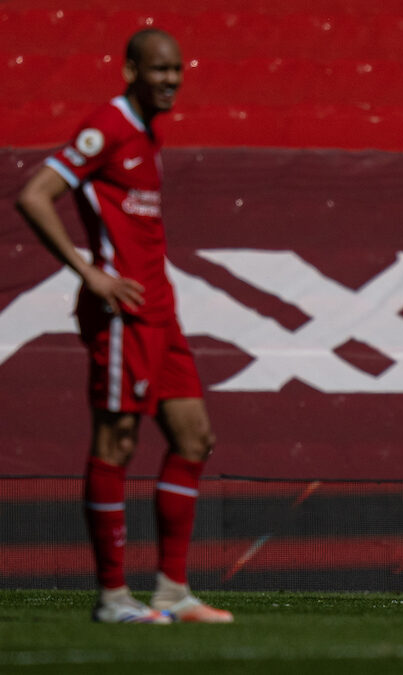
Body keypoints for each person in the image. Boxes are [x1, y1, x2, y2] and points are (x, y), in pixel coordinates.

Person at [15, 29, 232, 624]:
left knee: (194, 438)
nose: (171, 81)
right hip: (122, 311)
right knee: (117, 443)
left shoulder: (148, 128)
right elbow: (35, 195)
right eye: (159, 69)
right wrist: (91, 274)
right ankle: (113, 598)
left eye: (177, 70)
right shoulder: (105, 127)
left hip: (161, 310)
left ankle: (171, 591)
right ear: (131, 69)